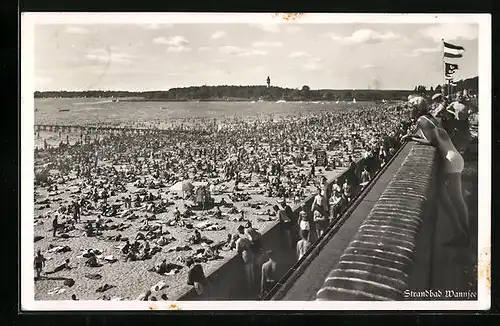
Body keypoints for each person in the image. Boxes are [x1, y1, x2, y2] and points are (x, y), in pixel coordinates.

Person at [402, 96, 469, 247]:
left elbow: (431, 142)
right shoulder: (430, 118)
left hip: (449, 161)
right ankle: (465, 232)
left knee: (445, 199)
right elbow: (434, 136)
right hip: (455, 157)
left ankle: (460, 233)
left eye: (409, 108)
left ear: (416, 109)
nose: (408, 111)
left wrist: (412, 139)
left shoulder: (421, 121)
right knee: (458, 200)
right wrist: (414, 135)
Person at [235, 226, 255, 291]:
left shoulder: (238, 241)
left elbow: (237, 251)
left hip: (245, 255)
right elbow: (251, 243)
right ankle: (254, 284)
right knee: (252, 271)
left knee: (248, 272)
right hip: (251, 253)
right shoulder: (245, 239)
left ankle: (250, 287)